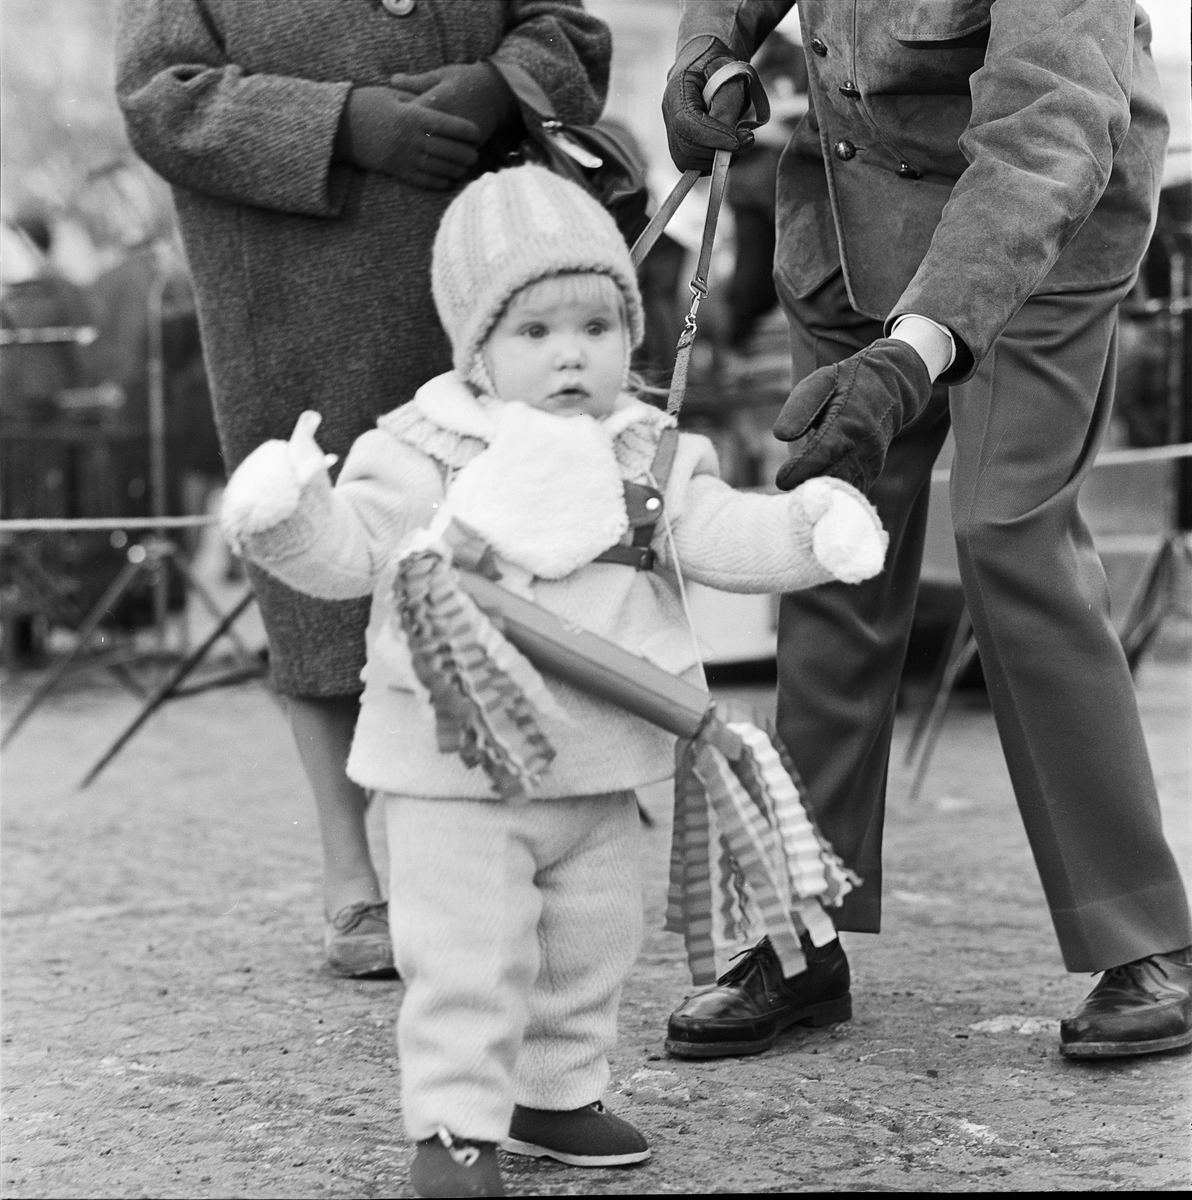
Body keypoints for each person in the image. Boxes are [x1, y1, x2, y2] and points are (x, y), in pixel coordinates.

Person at [218, 164, 887, 1197]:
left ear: (633, 328)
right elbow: (348, 557)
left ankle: (554, 1094)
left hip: (604, 762)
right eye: (534, 331)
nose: (572, 352)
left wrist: (810, 530)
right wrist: (288, 515)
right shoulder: (420, 448)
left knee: (590, 944)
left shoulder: (649, 449)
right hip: (456, 776)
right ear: (475, 346)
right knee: (465, 957)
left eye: (597, 324)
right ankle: (449, 1132)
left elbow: (719, 534)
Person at [660, 0, 1192, 1062]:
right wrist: (703, 48)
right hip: (852, 219)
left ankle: (1142, 931)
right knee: (824, 528)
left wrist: (911, 360)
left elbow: (1047, 122)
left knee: (1007, 535)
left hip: (1040, 215)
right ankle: (796, 932)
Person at [115, 0, 611, 976]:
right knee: (321, 564)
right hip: (291, 282)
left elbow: (570, 30)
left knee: (504, 560)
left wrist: (502, 83)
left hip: (478, 273)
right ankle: (352, 879)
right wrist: (345, 123)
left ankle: (503, 856)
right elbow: (158, 95)